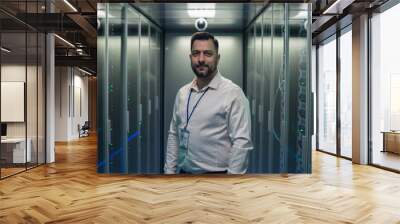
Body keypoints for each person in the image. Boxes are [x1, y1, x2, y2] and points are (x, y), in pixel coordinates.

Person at [164, 32, 253, 174]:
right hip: (184, 174)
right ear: (190, 57)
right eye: (196, 53)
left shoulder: (232, 93)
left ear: (217, 58)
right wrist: (169, 173)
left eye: (208, 54)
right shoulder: (182, 93)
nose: (201, 59)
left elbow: (242, 142)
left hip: (218, 178)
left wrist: (231, 183)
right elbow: (174, 134)